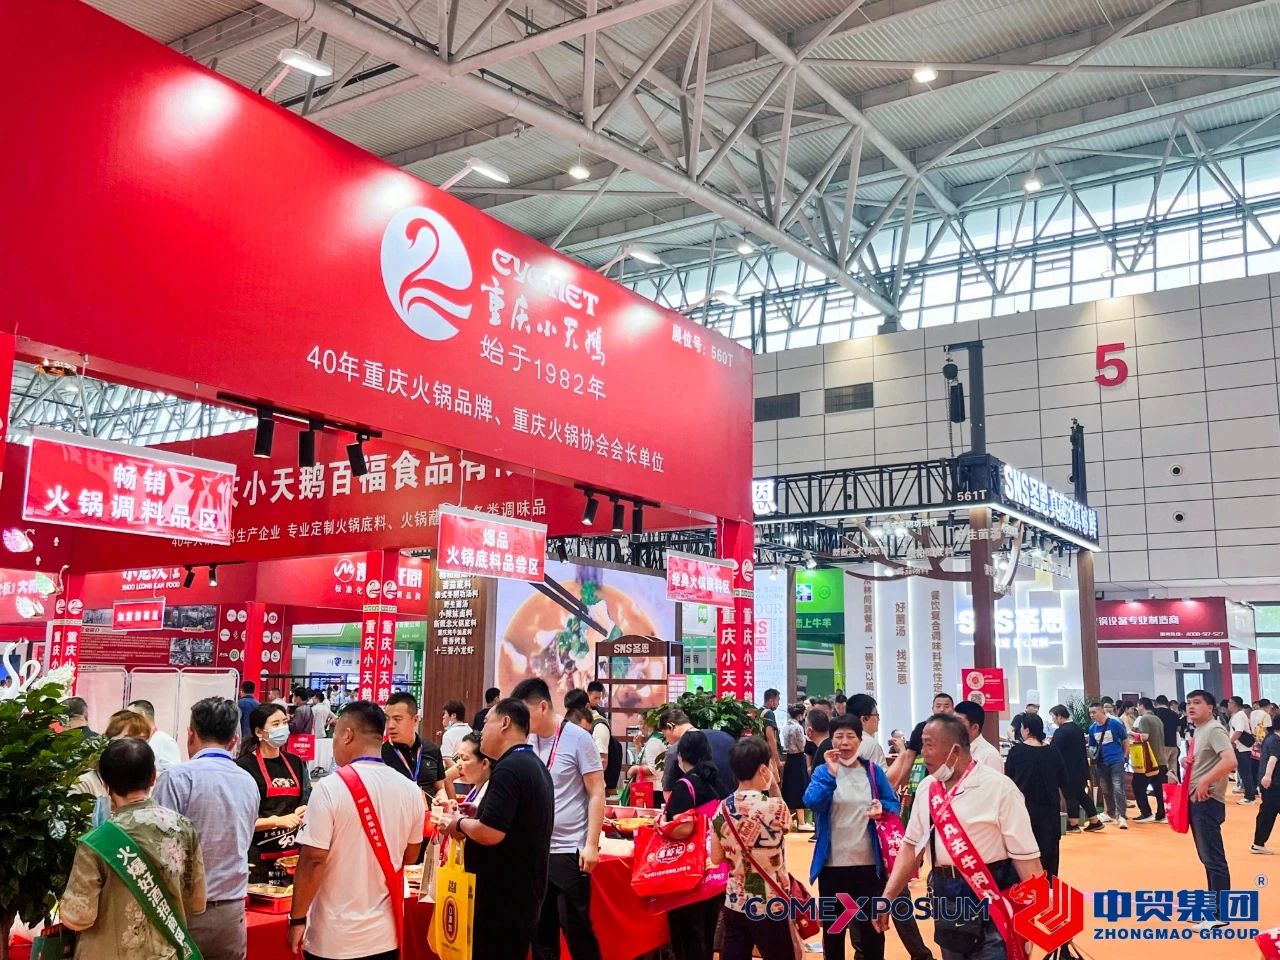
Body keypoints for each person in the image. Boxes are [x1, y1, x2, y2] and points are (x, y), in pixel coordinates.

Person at [874, 714, 1044, 960]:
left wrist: (1037, 915)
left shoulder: (999, 788)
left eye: (929, 745)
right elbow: (910, 848)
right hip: (947, 898)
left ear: (955, 749)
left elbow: (1027, 860)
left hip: (992, 896)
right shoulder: (927, 788)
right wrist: (888, 897)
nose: (924, 752)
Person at [287, 701, 425, 960]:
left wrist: (297, 919)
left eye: (336, 735)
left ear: (347, 735)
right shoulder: (411, 790)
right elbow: (410, 856)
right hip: (385, 936)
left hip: (333, 938)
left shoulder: (329, 788)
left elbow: (313, 860)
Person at [60, 738, 207, 960]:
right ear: (153, 776)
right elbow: (197, 902)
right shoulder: (183, 827)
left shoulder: (96, 842)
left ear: (106, 785)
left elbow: (78, 917)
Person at [441, 698, 554, 960]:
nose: (481, 732)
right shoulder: (533, 764)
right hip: (521, 896)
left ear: (505, 723)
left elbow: (491, 833)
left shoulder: (508, 768)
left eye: (486, 723)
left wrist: (458, 823)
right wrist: (477, 813)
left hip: (501, 902)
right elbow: (514, 821)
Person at [152, 697, 259, 960]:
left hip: (183, 912)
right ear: (234, 740)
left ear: (191, 734)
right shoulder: (248, 781)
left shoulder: (177, 778)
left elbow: (158, 848)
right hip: (231, 913)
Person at [514, 677, 606, 960]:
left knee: (576, 928)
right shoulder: (525, 741)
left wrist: (591, 844)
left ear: (543, 707)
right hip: (535, 851)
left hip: (570, 850)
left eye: (524, 713)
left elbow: (596, 792)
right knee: (540, 931)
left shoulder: (579, 738)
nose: (520, 721)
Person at [804, 715, 900, 960]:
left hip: (869, 867)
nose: (845, 742)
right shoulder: (823, 772)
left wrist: (882, 808)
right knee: (834, 932)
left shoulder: (872, 771)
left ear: (860, 740)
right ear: (831, 740)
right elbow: (812, 801)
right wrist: (831, 774)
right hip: (832, 866)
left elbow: (893, 804)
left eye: (851, 736)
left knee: (872, 932)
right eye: (839, 736)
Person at [710, 736, 798, 960]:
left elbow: (716, 858)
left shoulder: (722, 809)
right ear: (763, 769)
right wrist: (774, 785)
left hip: (735, 900)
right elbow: (787, 826)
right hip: (771, 903)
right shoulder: (775, 807)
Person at [661, 731, 729, 960]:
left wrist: (662, 825)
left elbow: (682, 828)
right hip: (714, 869)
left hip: (688, 873)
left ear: (681, 756)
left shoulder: (685, 786)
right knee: (706, 932)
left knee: (687, 935)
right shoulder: (716, 782)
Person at [236, 703, 310, 887]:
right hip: (258, 857)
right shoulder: (243, 767)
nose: (282, 728)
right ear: (259, 732)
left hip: (292, 856)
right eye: (276, 724)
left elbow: (307, 797)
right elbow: (239, 820)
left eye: (284, 722)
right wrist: (277, 821)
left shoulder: (296, 762)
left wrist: (305, 808)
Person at [1184, 689, 1237, 930]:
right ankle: (1212, 910)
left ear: (1210, 707)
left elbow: (1230, 761)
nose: (1191, 707)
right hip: (1198, 800)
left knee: (1213, 859)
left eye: (1197, 703)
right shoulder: (1200, 730)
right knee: (1208, 858)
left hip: (1207, 801)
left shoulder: (1214, 729)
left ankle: (1219, 915)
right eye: (1189, 703)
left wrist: (1205, 781)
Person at [1004, 713, 1066, 876]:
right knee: (1048, 853)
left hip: (1022, 809)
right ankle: (1048, 887)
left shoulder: (1016, 752)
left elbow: (1008, 780)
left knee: (1022, 852)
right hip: (1049, 809)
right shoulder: (1053, 752)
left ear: (1026, 729)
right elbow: (1063, 780)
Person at [381, 692, 447, 805]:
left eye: (397, 719)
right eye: (387, 719)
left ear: (415, 720)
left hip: (428, 815)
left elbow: (440, 788)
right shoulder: (381, 754)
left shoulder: (432, 750)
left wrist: (442, 800)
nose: (390, 725)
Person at [1048, 705, 1102, 833]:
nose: (1053, 720)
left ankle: (1073, 824)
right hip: (1081, 768)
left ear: (1059, 716)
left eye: (1053, 717)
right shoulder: (1077, 729)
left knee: (1070, 795)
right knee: (1081, 795)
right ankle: (1094, 820)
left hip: (1068, 770)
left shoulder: (1061, 731)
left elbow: (1054, 750)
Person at [886, 692, 954, 789]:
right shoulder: (921, 728)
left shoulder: (958, 730)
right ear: (933, 709)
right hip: (923, 783)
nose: (942, 709)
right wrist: (899, 783)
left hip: (951, 783)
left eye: (946, 706)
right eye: (938, 706)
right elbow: (910, 757)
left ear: (953, 709)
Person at [662, 707, 734, 796]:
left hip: (697, 803)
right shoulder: (727, 738)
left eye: (665, 735)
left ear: (670, 726)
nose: (667, 740)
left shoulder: (675, 749)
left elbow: (669, 794)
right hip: (731, 800)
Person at [1087, 700, 1130, 829]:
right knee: (1106, 789)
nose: (1092, 715)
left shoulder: (1114, 724)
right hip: (1102, 763)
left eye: (1094, 712)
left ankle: (1121, 815)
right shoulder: (1092, 728)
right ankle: (1110, 813)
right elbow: (1092, 746)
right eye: (1090, 713)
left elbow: (1125, 740)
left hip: (1116, 760)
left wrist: (1124, 755)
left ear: (1101, 711)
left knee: (1118, 788)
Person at [1131, 698, 1168, 823]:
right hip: (1160, 758)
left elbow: (1144, 737)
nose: (1137, 709)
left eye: (1138, 706)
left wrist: (1131, 733)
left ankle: (1146, 812)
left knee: (1138, 785)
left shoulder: (1144, 719)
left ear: (1142, 705)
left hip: (1148, 760)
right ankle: (1161, 814)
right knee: (1159, 789)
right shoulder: (1157, 719)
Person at [128, 700, 181, 773]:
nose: (126, 722)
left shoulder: (166, 742)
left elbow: (174, 775)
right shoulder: (129, 741)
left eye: (129, 717)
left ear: (142, 715)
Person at [1253, 714, 1280, 855]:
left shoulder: (1269, 738)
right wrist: (1268, 776)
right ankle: (1258, 843)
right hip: (1274, 783)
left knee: (1267, 813)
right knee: (1267, 814)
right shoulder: (1277, 741)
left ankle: (1258, 843)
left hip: (1269, 782)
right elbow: (1272, 759)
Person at [442, 730, 492, 806]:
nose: (458, 765)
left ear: (484, 763)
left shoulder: (491, 797)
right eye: (458, 758)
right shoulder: (477, 787)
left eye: (464, 759)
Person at [953, 701, 1003, 773]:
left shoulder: (990, 755)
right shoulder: (954, 750)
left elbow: (994, 780)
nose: (952, 726)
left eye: (958, 722)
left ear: (975, 727)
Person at [1228, 696, 1258, 804]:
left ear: (1235, 704)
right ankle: (1250, 794)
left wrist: (1230, 742)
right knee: (1244, 772)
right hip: (1241, 748)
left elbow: (1239, 731)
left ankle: (1249, 797)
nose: (1228, 705)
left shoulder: (1239, 716)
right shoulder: (1238, 715)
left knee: (1245, 773)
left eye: (1230, 702)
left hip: (1242, 748)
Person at [780, 704, 809, 815]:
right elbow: (802, 745)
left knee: (789, 786)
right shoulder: (798, 727)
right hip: (798, 759)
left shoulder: (786, 727)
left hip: (789, 759)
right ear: (800, 715)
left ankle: (790, 815)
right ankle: (801, 819)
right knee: (799, 787)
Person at [848, 694, 887, 767]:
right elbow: (883, 773)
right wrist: (902, 754)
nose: (878, 719)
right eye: (876, 715)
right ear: (864, 719)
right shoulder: (871, 744)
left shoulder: (841, 740)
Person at [1154, 695, 1181, 780]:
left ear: (1156, 703)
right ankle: (1172, 786)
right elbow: (1178, 729)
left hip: (1161, 746)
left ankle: (1162, 787)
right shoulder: (1174, 714)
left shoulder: (1155, 713)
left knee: (1161, 770)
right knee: (1172, 770)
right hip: (1173, 745)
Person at [761, 688, 783, 768]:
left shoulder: (758, 711)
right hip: (769, 756)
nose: (778, 703)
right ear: (771, 701)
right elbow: (771, 739)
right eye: (778, 700)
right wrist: (777, 761)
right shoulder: (769, 713)